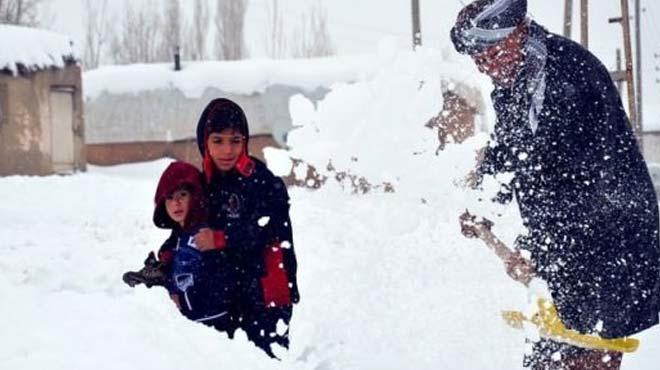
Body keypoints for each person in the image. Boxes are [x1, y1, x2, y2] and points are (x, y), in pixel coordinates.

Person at [451, 0, 660, 369]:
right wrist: (482, 205)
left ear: (516, 35)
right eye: (477, 60)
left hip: (610, 250)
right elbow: (507, 151)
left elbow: (584, 183)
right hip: (567, 257)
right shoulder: (513, 85)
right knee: (548, 360)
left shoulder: (572, 75)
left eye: (491, 54)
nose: (484, 67)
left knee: (586, 356)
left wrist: (533, 248)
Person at [194, 98, 300, 358]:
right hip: (225, 297)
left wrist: (221, 239)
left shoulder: (260, 180)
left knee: (267, 360)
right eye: (218, 141)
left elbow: (268, 227)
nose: (227, 150)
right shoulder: (203, 185)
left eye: (235, 141)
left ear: (245, 141)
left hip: (266, 293)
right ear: (204, 142)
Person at [124, 161, 233, 333]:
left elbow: (218, 283)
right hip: (187, 328)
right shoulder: (175, 241)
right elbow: (181, 277)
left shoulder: (205, 235)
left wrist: (182, 301)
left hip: (214, 327)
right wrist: (159, 276)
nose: (176, 203)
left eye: (182, 195)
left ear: (195, 196)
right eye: (169, 197)